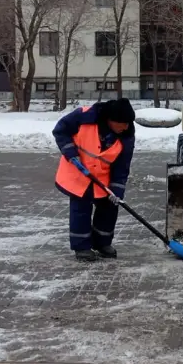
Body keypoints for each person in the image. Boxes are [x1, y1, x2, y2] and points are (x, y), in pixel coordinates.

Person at [53, 98, 136, 261]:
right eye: (123, 123)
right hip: (78, 171)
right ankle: (82, 247)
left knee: (110, 207)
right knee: (81, 209)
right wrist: (70, 152)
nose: (126, 127)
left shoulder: (126, 137)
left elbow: (122, 167)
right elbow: (60, 131)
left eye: (128, 123)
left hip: (102, 177)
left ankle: (102, 243)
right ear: (110, 120)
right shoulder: (84, 116)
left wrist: (117, 190)